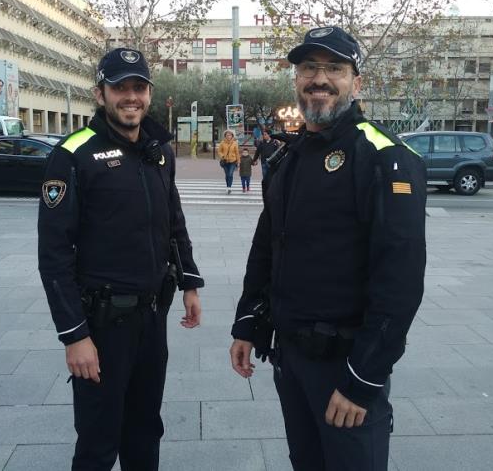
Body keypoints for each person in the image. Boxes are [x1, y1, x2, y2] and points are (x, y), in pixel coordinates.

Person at [229, 26, 427, 471]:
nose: (319, 78)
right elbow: (268, 245)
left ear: (357, 83)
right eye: (308, 68)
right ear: (296, 80)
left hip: (346, 368)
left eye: (334, 68)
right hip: (291, 359)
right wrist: (246, 322)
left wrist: (364, 379)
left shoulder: (383, 158)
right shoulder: (289, 156)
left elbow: (400, 281)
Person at [38, 47, 204, 471]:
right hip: (101, 326)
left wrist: (189, 282)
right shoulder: (73, 154)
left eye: (139, 88)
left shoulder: (158, 150)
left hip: (152, 320)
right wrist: (74, 336)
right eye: (120, 88)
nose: (131, 97)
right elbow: (54, 253)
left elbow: (173, 218)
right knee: (97, 441)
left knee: (146, 430)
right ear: (100, 94)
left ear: (149, 94)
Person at [218, 129, 239, 194]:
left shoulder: (235, 143)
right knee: (227, 175)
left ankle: (229, 187)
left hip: (233, 161)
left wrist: (238, 162)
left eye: (230, 135)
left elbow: (237, 153)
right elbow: (219, 151)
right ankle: (227, 186)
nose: (228, 136)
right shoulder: (222, 143)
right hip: (225, 161)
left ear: (232, 136)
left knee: (230, 174)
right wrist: (222, 156)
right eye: (227, 135)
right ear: (225, 136)